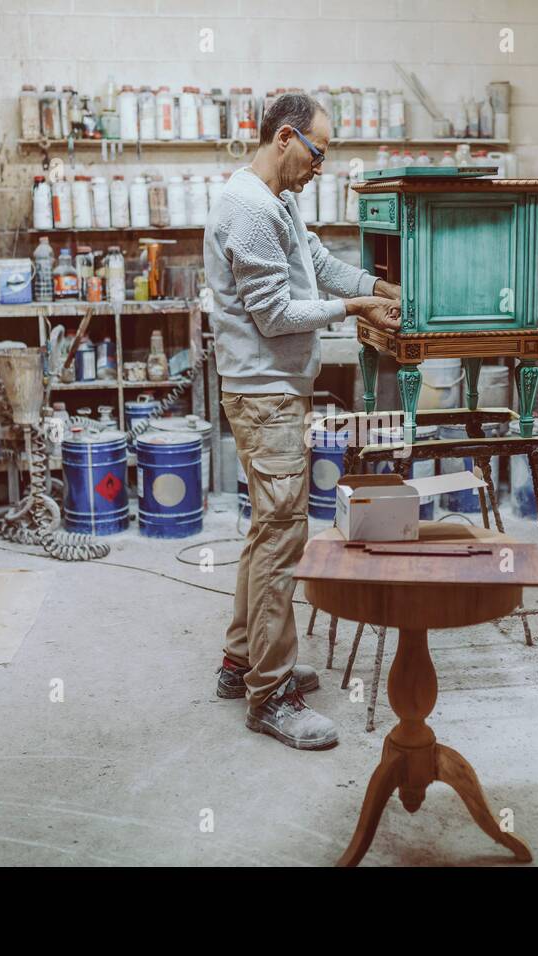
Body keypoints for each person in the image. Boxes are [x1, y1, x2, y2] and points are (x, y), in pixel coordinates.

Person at [203, 92, 401, 750]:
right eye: (318, 153)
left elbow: (314, 264)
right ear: (285, 138)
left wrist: (377, 289)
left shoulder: (279, 199)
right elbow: (277, 313)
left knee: (269, 533)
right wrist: (354, 311)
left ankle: (243, 662)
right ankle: (271, 694)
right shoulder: (248, 208)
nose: (321, 166)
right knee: (285, 539)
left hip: (277, 388)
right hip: (264, 395)